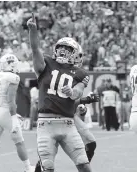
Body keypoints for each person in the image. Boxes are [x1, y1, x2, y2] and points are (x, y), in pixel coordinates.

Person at [27, 13, 92, 172]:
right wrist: (33, 32)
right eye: (60, 48)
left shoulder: (80, 73)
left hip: (68, 124)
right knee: (47, 167)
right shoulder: (47, 64)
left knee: (84, 165)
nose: (63, 51)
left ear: (75, 53)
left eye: (67, 49)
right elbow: (35, 49)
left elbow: (78, 92)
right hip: (45, 124)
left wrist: (71, 92)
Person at [0, 54, 34, 172]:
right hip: (5, 112)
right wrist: (14, 118)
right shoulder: (12, 77)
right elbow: (10, 101)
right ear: (11, 65)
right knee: (19, 142)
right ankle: (28, 168)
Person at [34, 94, 99, 172]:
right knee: (47, 157)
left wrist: (82, 108)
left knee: (90, 142)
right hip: (53, 119)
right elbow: (60, 102)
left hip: (70, 117)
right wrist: (84, 99)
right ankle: (40, 165)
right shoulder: (51, 84)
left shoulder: (76, 84)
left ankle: (83, 165)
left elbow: (76, 104)